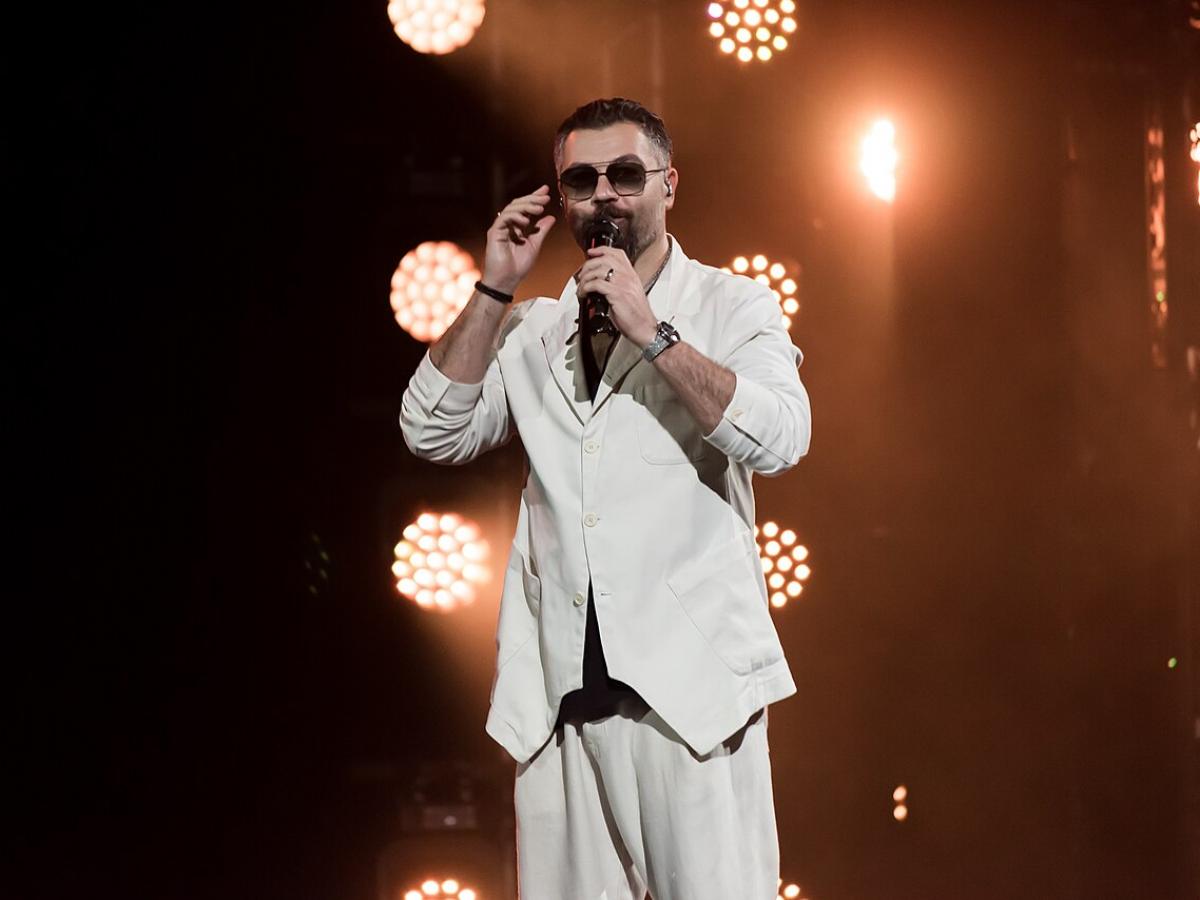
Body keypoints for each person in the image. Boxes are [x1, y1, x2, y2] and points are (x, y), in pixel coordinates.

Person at [400, 98, 811, 900]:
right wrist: (494, 285)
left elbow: (781, 438)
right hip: (558, 697)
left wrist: (653, 333)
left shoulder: (731, 305)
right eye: (581, 181)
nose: (604, 196)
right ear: (561, 198)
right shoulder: (531, 329)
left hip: (690, 693)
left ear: (668, 184)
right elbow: (430, 430)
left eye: (625, 175)